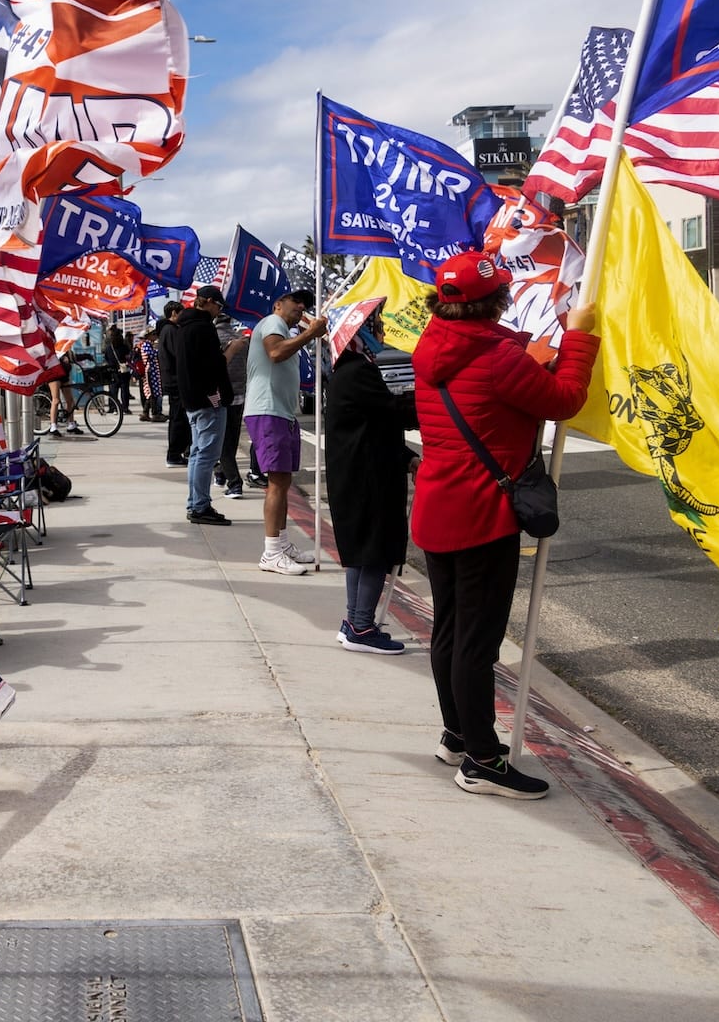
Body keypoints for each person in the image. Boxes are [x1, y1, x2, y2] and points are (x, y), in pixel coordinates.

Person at [413, 251, 598, 800]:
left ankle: (457, 733)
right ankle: (483, 762)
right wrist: (581, 339)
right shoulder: (497, 357)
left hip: (437, 506)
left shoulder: (432, 344)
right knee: (477, 644)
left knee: (448, 631)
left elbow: (499, 367)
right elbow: (565, 400)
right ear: (497, 302)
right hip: (482, 515)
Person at [325, 309, 416, 654]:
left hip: (358, 475)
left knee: (362, 553)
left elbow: (376, 428)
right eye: (372, 326)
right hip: (367, 480)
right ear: (357, 336)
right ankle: (361, 626)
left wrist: (406, 457)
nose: (379, 330)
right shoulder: (358, 373)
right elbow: (395, 413)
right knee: (375, 552)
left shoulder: (349, 372)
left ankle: (355, 621)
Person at [245, 289, 329, 575]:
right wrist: (310, 334)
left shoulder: (284, 329)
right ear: (278, 304)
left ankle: (280, 544)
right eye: (296, 301)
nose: (302, 306)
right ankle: (271, 553)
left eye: (305, 303)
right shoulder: (273, 322)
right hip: (268, 411)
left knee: (282, 481)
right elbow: (275, 352)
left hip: (280, 412)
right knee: (277, 483)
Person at [173, 285, 233, 524]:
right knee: (207, 456)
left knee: (198, 455)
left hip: (192, 400)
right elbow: (213, 367)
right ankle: (200, 506)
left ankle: (196, 503)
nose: (219, 310)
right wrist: (231, 351)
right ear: (207, 301)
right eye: (218, 305)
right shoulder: (203, 328)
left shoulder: (183, 327)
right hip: (207, 401)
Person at [214, 312, 251, 499]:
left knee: (222, 443)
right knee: (232, 438)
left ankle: (235, 483)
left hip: (221, 395)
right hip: (240, 394)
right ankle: (220, 473)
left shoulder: (215, 338)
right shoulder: (241, 340)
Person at [159, 303, 190, 464]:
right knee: (178, 419)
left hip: (173, 381)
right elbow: (179, 355)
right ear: (173, 313)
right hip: (175, 381)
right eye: (181, 313)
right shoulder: (171, 331)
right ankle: (174, 454)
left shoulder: (167, 330)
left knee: (179, 418)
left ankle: (178, 452)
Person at [104, 325, 133, 415]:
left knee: (113, 390)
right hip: (124, 371)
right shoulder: (124, 347)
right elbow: (128, 358)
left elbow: (106, 358)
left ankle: (113, 407)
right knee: (125, 390)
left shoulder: (109, 348)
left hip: (113, 371)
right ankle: (125, 408)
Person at [135, 328, 163, 422]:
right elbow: (152, 354)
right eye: (153, 334)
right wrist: (158, 351)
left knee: (153, 392)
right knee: (152, 392)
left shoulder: (149, 344)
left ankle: (146, 412)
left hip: (154, 371)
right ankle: (155, 414)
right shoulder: (146, 345)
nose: (155, 336)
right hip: (150, 371)